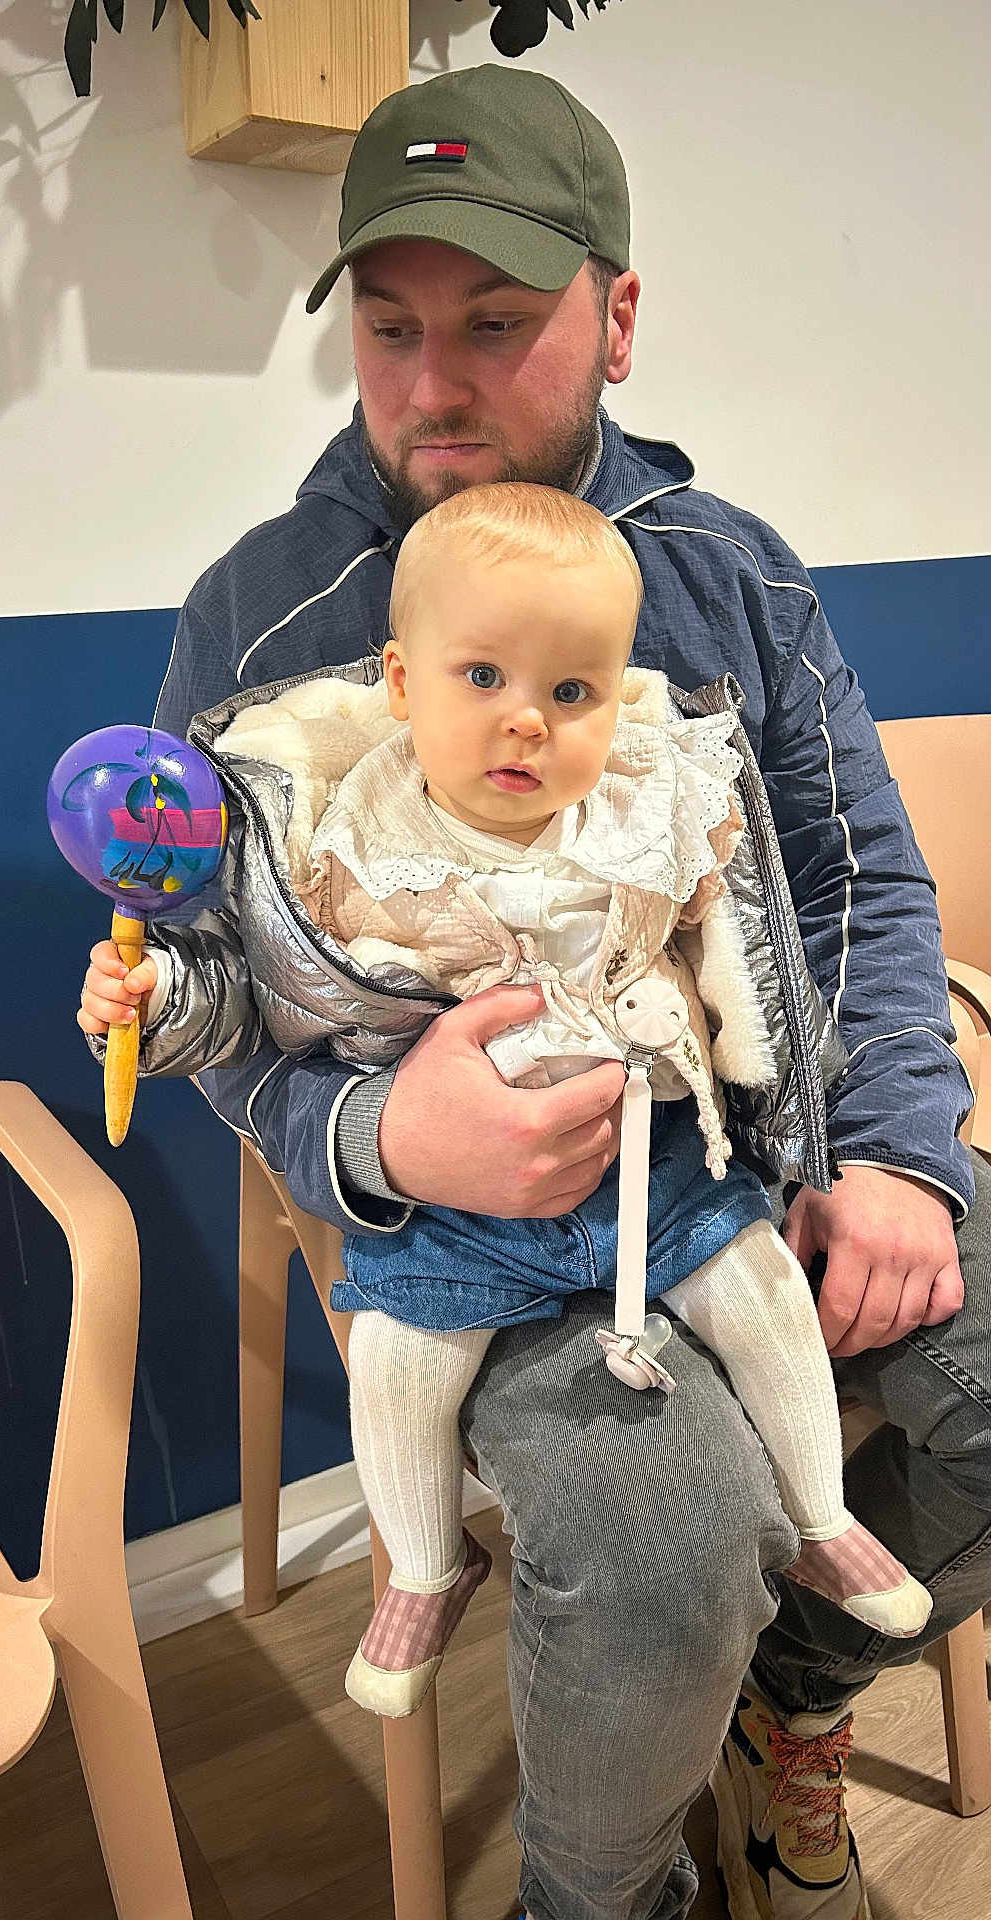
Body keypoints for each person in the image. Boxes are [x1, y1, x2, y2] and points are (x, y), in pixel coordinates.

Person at [78, 64, 989, 1920]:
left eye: (497, 325)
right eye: (393, 330)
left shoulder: (735, 578)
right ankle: (604, 1892)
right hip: (479, 1242)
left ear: (619, 317)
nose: (434, 385)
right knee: (664, 1541)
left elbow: (859, 881)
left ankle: (782, 1702)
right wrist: (376, 1128)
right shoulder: (259, 622)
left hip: (766, 1142)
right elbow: (196, 989)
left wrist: (899, 1154)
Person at [80, 479, 934, 1720]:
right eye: (482, 678)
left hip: (656, 1159)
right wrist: (155, 1002)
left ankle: (819, 1515)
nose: (527, 724)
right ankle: (428, 1563)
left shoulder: (647, 805)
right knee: (397, 1364)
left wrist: (807, 1104)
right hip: (459, 1196)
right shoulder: (346, 843)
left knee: (759, 1294)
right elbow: (262, 994)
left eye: (571, 693)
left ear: (619, 694)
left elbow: (762, 934)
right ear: (400, 680)